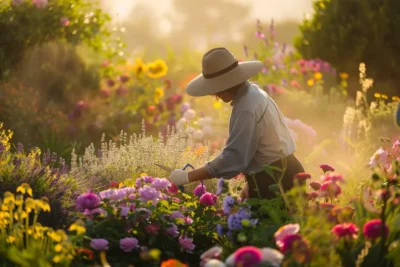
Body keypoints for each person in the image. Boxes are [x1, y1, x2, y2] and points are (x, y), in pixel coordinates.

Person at [168, 47, 304, 199]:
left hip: (277, 180)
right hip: (282, 172)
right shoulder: (253, 93)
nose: (214, 95)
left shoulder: (246, 107)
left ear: (226, 85)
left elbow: (233, 158)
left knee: (278, 222)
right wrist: (251, 182)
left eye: (215, 89)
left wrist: (187, 177)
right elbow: (265, 147)